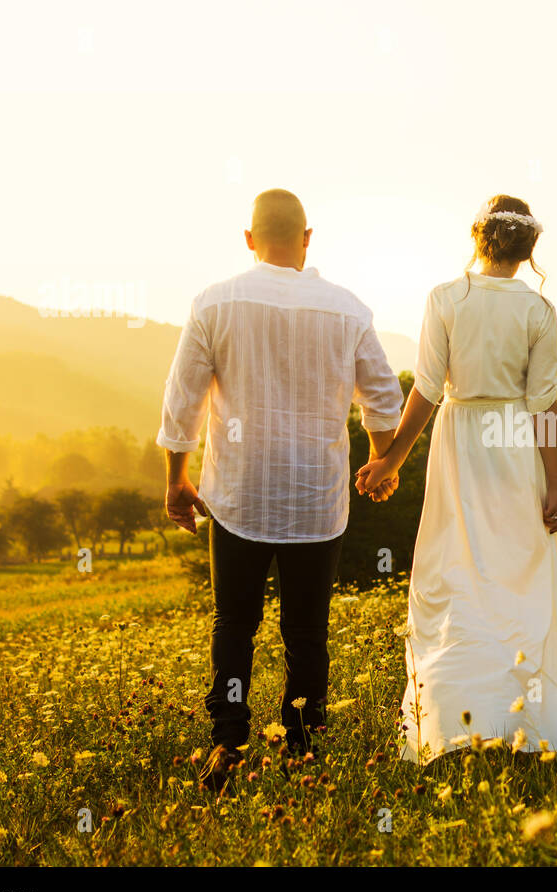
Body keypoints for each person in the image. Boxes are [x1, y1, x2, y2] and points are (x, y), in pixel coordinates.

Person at [158, 188, 404, 792]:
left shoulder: (214, 303)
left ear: (249, 239)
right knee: (305, 630)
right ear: (308, 238)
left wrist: (176, 482)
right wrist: (380, 463)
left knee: (234, 624)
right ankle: (303, 747)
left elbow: (182, 401)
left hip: (238, 495)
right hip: (315, 500)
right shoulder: (347, 309)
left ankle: (229, 742)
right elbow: (384, 401)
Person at [356, 194, 557, 763]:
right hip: (515, 443)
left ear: (480, 238)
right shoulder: (539, 311)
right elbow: (545, 405)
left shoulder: (446, 298)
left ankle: (453, 724)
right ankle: (522, 725)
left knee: (455, 576)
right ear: (528, 248)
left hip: (459, 447)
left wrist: (392, 460)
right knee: (515, 579)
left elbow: (426, 389)